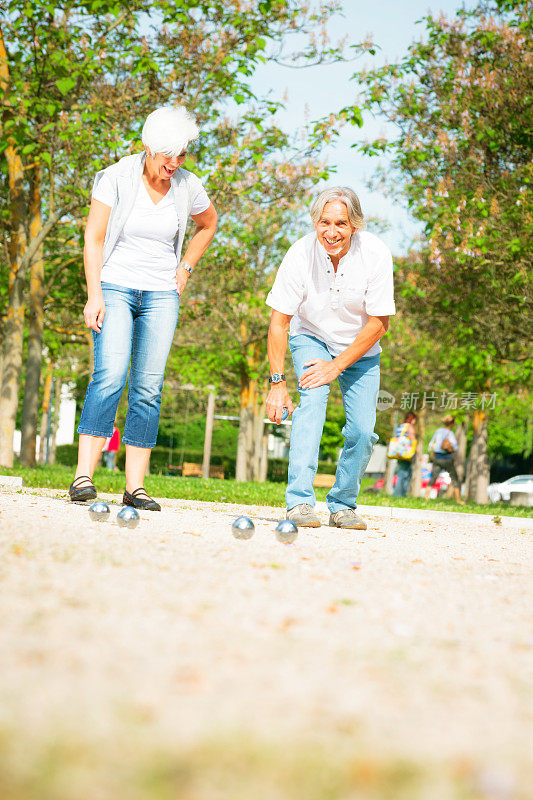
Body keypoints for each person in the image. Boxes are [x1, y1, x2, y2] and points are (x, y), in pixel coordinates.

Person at [69, 106, 217, 510]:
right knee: (110, 375)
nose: (174, 163)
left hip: (160, 294)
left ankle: (135, 487)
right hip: (115, 286)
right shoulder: (115, 177)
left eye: (182, 154)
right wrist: (94, 294)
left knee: (148, 388)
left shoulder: (189, 185)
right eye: (167, 154)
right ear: (147, 147)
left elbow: (209, 224)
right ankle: (84, 476)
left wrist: (184, 268)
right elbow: (94, 239)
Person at [265, 186, 395, 529]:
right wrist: (277, 383)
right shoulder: (299, 254)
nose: (332, 232)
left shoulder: (377, 254)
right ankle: (299, 503)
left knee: (363, 432)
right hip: (312, 336)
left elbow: (380, 325)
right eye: (324, 222)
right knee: (312, 404)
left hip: (361, 347)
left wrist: (337, 366)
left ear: (355, 225)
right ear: (315, 222)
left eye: (341, 223)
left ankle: (342, 504)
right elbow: (279, 322)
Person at [425, 414, 464, 504]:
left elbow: (431, 444)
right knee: (454, 478)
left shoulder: (438, 431)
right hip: (447, 458)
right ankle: (458, 500)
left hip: (437, 457)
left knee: (433, 477)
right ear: (452, 423)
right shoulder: (450, 433)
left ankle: (426, 497)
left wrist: (433, 452)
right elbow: (456, 447)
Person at [392, 411, 417, 497]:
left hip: (399, 453)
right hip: (406, 454)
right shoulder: (409, 427)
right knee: (404, 474)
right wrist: (417, 452)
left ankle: (399, 494)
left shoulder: (400, 426)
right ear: (412, 419)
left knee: (402, 473)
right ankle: (399, 494)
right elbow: (413, 439)